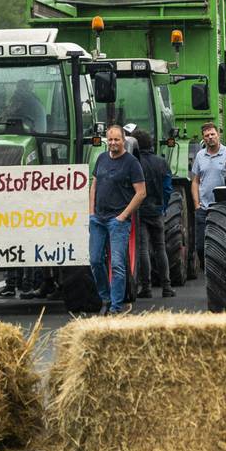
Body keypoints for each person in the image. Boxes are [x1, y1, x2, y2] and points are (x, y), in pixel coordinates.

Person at [89, 124, 145, 315]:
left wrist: (123, 216)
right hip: (98, 219)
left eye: (116, 140)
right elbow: (94, 185)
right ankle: (105, 297)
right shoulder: (101, 158)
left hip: (117, 221)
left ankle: (115, 306)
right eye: (110, 140)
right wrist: (91, 213)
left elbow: (141, 193)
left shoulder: (131, 163)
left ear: (123, 140)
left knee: (117, 265)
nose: (113, 143)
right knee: (95, 261)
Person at [132, 129, 175, 298]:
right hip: (157, 211)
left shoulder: (134, 163)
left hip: (140, 212)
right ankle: (167, 287)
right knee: (160, 248)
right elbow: (167, 188)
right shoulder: (162, 162)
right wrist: (163, 206)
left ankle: (146, 288)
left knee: (142, 249)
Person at [190, 122, 226, 266]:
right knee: (200, 246)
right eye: (207, 135)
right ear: (203, 138)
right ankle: (207, 269)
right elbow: (195, 181)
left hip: (222, 208)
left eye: (212, 134)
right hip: (203, 209)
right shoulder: (200, 156)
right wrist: (196, 205)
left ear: (218, 135)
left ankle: (218, 270)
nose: (210, 137)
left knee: (221, 244)